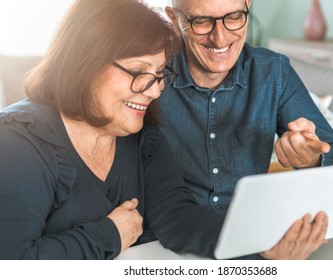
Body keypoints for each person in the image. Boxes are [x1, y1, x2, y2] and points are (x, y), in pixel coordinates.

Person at [0, 0, 227, 259]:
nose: (155, 90)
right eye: (138, 71)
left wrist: (260, 242)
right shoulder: (17, 142)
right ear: (84, 63)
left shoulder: (143, 136)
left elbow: (177, 218)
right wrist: (110, 235)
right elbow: (11, 261)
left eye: (159, 73)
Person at [156, 0, 333, 259]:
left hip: (254, 240)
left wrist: (312, 159)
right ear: (174, 19)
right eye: (202, 21)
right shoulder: (152, 76)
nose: (220, 38)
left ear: (248, 6)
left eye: (234, 16)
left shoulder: (274, 72)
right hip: (168, 248)